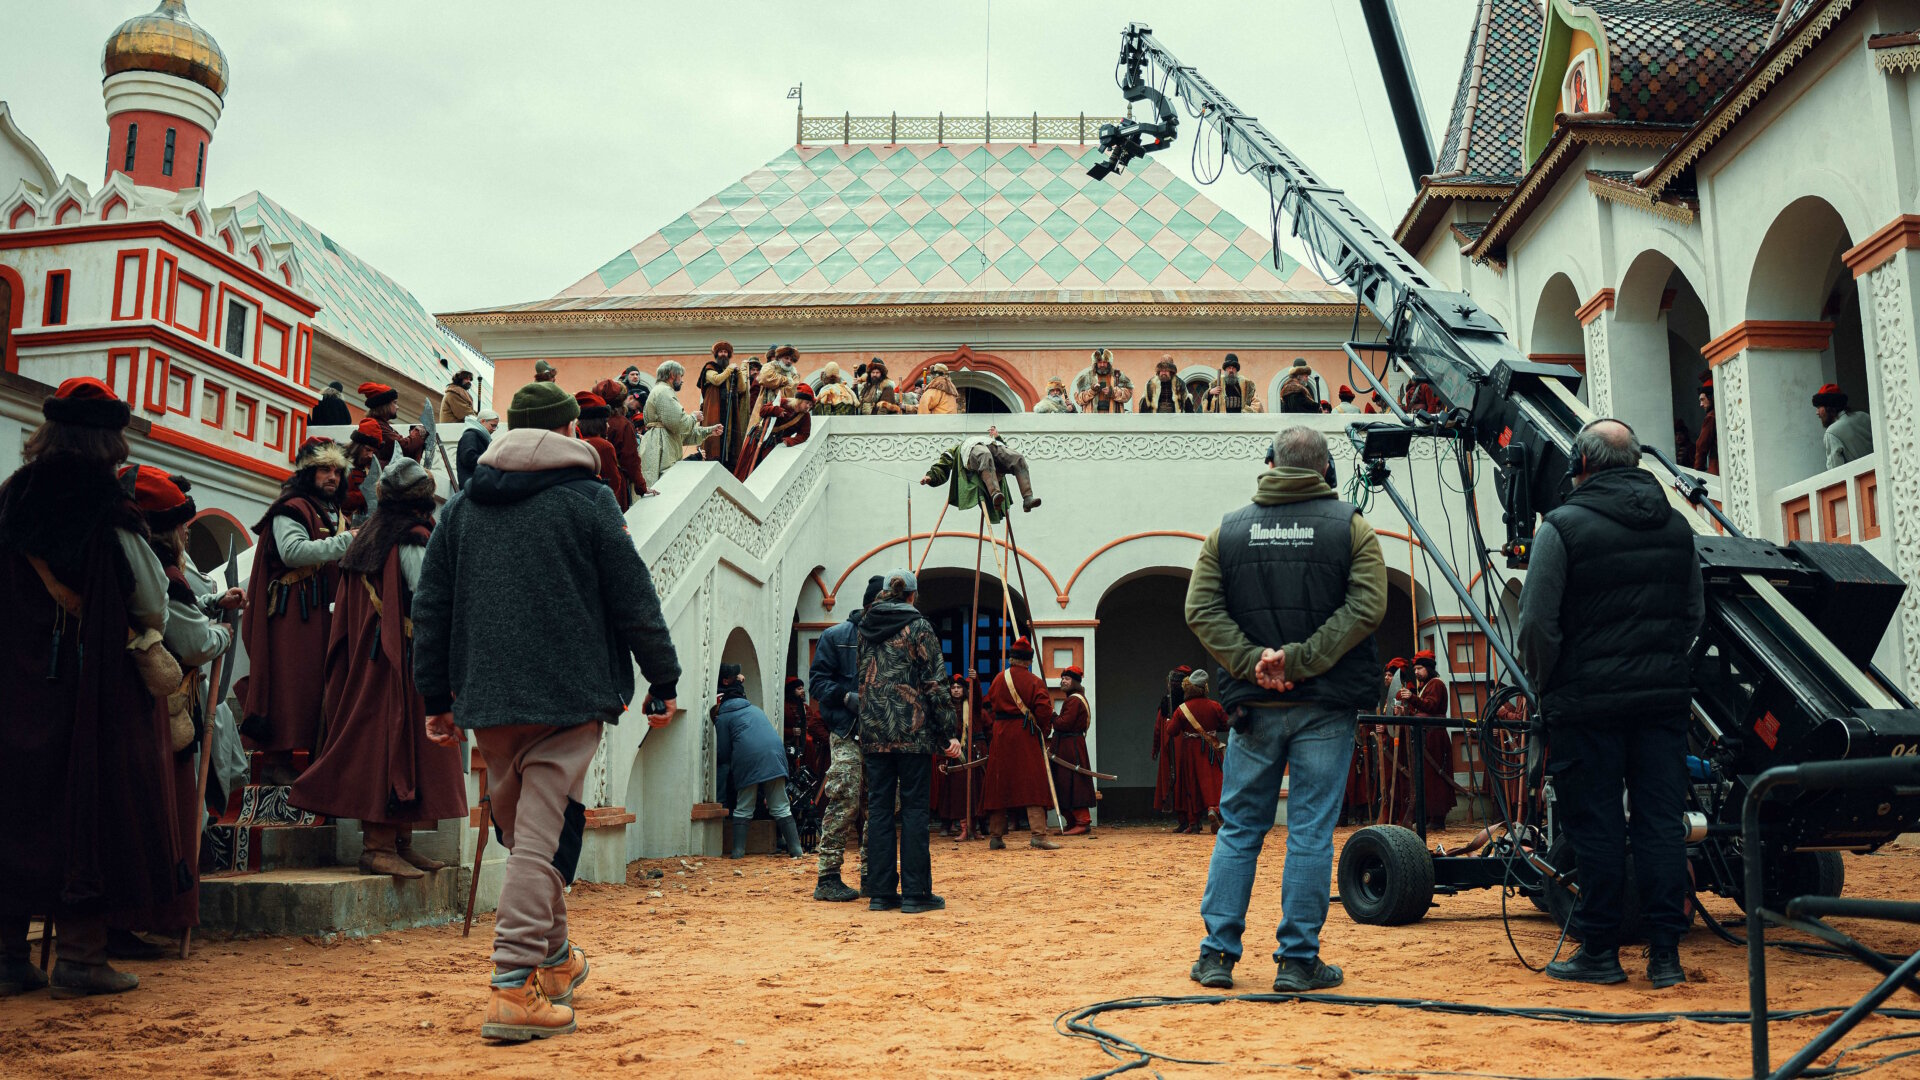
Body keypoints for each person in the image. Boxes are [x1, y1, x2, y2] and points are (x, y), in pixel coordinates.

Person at [416, 379, 682, 1041]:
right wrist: (663, 678)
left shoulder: (463, 506)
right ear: (568, 430)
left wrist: (434, 696)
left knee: (526, 834)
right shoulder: (590, 500)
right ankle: (512, 985)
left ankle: (556, 960)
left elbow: (432, 607)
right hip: (568, 695)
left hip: (487, 698)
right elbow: (634, 598)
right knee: (536, 842)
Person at [1185, 425, 1386, 993]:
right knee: (1310, 832)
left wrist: (1254, 662)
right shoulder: (1352, 527)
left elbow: (1201, 610)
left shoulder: (1226, 531)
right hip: (1325, 704)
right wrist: (1300, 661)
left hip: (1254, 707)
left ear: (1270, 464)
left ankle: (1217, 956)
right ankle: (1297, 962)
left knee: (1239, 829)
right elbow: (1367, 607)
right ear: (1326, 470)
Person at [0, 379, 178, 998]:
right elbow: (150, 602)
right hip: (87, 687)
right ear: (108, 440)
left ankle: (7, 959)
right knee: (88, 806)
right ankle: (80, 958)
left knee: (16, 808)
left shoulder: (11, 496)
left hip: (13, 686)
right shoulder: (108, 507)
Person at [1516, 418, 1702, 989]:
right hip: (1662, 705)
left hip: (1585, 706)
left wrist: (1546, 684)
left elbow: (1536, 624)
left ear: (1582, 464)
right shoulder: (1677, 527)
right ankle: (1665, 957)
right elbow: (1693, 616)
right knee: (1660, 825)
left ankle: (1599, 950)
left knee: (1594, 826)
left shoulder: (1561, 527)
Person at [290, 457, 466, 878]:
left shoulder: (371, 532)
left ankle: (401, 843)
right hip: (397, 660)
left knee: (408, 748)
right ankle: (378, 847)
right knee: (389, 747)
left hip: (373, 657)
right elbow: (426, 596)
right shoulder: (411, 536)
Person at [115, 467, 244, 950]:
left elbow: (177, 613)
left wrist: (210, 602)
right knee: (167, 812)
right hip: (158, 712)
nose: (187, 533)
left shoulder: (150, 565)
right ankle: (147, 918)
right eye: (181, 525)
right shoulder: (163, 572)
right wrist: (221, 633)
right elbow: (190, 641)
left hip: (144, 707)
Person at [240, 436, 354, 780]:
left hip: (322, 611)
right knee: (291, 684)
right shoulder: (290, 507)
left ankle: (317, 761)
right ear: (308, 471)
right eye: (324, 469)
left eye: (337, 470)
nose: (332, 476)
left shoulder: (333, 511)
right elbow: (292, 552)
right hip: (293, 612)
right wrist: (347, 541)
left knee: (321, 685)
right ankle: (278, 763)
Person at [853, 569, 961, 913]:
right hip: (912, 734)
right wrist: (948, 733)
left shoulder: (864, 628)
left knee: (879, 812)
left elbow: (862, 678)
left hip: (874, 734)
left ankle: (881, 892)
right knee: (914, 811)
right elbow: (935, 684)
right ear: (912, 595)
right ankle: (916, 893)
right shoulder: (919, 627)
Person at [808, 575, 882, 901]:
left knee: (878, 806)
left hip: (881, 735)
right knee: (844, 799)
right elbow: (818, 683)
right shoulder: (835, 636)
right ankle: (828, 876)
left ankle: (872, 874)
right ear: (870, 605)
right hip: (847, 731)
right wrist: (846, 698)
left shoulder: (893, 639)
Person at [712, 665, 804, 859]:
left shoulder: (724, 716)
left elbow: (723, 753)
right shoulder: (755, 710)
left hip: (748, 761)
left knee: (745, 805)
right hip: (776, 757)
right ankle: (796, 850)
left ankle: (738, 852)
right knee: (780, 805)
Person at [980, 637, 1061, 851]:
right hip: (1025, 735)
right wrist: (1043, 731)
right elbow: (1044, 710)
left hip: (1000, 736)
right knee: (1033, 784)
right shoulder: (1034, 681)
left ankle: (996, 836)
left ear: (1012, 658)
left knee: (999, 785)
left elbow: (989, 703)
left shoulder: (998, 679)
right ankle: (1038, 835)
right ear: (1028, 661)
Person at [1394, 650, 1454, 832]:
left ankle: (1437, 819)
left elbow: (1431, 706)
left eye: (1420, 668)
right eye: (1415, 669)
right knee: (1426, 778)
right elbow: (1422, 711)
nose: (1416, 672)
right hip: (1426, 735)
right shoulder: (1426, 685)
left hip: (1435, 737)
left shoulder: (1436, 684)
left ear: (1428, 668)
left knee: (1435, 777)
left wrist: (1411, 698)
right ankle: (1429, 817)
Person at [919, 426, 1040, 514]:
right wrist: (931, 477)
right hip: (973, 450)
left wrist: (998, 437)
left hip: (992, 445)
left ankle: (1027, 498)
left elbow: (1005, 454)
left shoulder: (990, 442)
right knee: (984, 455)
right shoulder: (957, 449)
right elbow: (942, 465)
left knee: (1018, 458)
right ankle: (995, 493)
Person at [638, 361, 722, 488]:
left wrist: (709, 431)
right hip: (662, 448)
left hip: (658, 443)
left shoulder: (659, 391)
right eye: (681, 376)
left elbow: (680, 434)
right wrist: (694, 417)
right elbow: (680, 424)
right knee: (665, 486)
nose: (682, 381)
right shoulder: (664, 391)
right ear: (672, 375)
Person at [1169, 670, 1228, 834]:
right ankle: (1213, 809)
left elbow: (1172, 730)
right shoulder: (1215, 706)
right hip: (1210, 749)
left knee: (1191, 783)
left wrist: (1169, 722)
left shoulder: (1182, 709)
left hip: (1190, 751)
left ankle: (1193, 823)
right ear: (1204, 688)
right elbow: (1227, 724)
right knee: (1214, 782)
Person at [1051, 666, 1096, 836]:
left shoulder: (1074, 701)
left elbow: (1064, 724)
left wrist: (1052, 716)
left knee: (1075, 784)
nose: (1063, 681)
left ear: (1075, 682)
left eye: (1067, 679)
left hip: (1071, 749)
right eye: (1062, 678)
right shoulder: (1073, 699)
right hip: (1068, 747)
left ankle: (1082, 822)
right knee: (1065, 783)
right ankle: (1072, 822)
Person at [592, 379, 649, 504]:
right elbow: (630, 459)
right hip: (615, 482)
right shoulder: (623, 424)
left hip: (590, 481)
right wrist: (642, 487)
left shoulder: (589, 421)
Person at [698, 342, 752, 469]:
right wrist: (729, 370)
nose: (723, 354)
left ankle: (728, 463)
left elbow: (742, 388)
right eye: (721, 352)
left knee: (729, 439)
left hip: (729, 411)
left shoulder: (731, 372)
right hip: (714, 411)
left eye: (726, 352)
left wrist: (739, 373)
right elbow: (716, 380)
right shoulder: (709, 368)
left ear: (729, 355)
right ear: (716, 354)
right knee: (713, 439)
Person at [572, 392, 625, 504]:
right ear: (598, 423)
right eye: (606, 421)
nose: (608, 425)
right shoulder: (604, 446)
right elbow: (614, 482)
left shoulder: (573, 442)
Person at [1152, 665, 1189, 824]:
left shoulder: (1169, 702)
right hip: (1182, 744)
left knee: (1178, 781)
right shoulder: (1187, 702)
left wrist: (1155, 748)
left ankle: (1186, 820)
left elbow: (1158, 728)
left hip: (1175, 743)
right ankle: (1188, 819)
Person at [358, 382, 426, 465]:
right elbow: (402, 447)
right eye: (394, 403)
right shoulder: (376, 426)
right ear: (385, 405)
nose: (397, 407)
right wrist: (418, 432)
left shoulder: (383, 425)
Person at [751, 384, 813, 469]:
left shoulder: (805, 416)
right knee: (750, 467)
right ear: (799, 400)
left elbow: (804, 434)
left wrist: (790, 441)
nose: (808, 406)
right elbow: (762, 411)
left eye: (810, 404)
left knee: (767, 467)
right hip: (759, 438)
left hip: (775, 444)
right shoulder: (783, 402)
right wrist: (775, 410)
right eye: (807, 403)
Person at [1811, 383, 1872, 468]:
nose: (1817, 413)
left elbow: (1835, 470)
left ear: (1829, 406)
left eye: (1819, 407)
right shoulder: (1864, 416)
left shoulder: (1831, 432)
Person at [343, 419, 383, 524]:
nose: (370, 455)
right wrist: (367, 494)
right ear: (358, 446)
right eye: (368, 450)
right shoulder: (341, 464)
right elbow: (340, 499)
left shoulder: (369, 469)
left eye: (373, 452)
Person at [1074, 348, 1134, 413]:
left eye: (1104, 362)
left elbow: (1129, 393)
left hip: (1114, 417)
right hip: (1092, 418)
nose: (1102, 365)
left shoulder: (1117, 375)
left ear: (1108, 363)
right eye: (1100, 362)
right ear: (1095, 363)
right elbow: (1078, 400)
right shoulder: (1086, 377)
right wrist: (1092, 391)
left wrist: (1112, 392)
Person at [458, 408, 500, 489]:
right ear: (483, 421)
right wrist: (490, 460)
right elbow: (468, 458)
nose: (494, 429)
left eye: (496, 426)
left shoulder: (478, 436)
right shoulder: (470, 435)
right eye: (493, 425)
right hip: (472, 486)